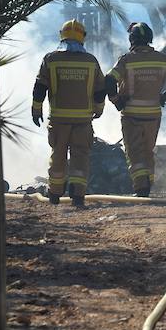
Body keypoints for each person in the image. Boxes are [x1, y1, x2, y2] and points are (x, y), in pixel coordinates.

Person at [105, 22, 166, 196]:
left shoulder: (126, 59)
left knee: (135, 153)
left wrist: (116, 100)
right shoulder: (160, 58)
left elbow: (109, 80)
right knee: (148, 152)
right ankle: (147, 184)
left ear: (132, 39)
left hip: (131, 116)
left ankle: (141, 188)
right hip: (153, 115)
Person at [31, 19, 106, 208]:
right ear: (83, 38)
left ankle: (55, 194)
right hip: (83, 120)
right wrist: (99, 110)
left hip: (58, 120)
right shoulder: (91, 61)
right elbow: (100, 90)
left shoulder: (51, 59)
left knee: (58, 155)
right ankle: (78, 196)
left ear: (61, 36)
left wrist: (36, 108)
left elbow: (40, 86)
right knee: (80, 156)